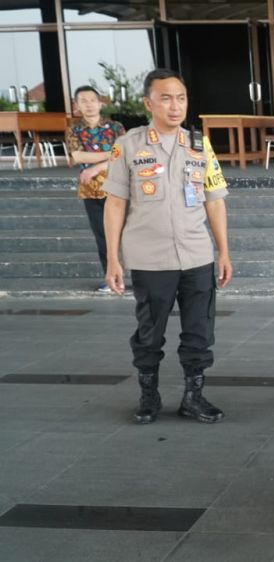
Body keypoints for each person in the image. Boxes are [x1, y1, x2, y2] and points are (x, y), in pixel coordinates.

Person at [103, 68, 232, 425]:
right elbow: (115, 204)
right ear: (149, 102)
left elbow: (215, 200)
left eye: (181, 98)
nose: (175, 106)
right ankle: (149, 396)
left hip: (196, 255)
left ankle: (194, 397)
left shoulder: (199, 144)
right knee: (149, 333)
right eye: (165, 98)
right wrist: (113, 259)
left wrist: (223, 251)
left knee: (199, 332)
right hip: (149, 258)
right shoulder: (127, 145)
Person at [64, 85, 127, 293]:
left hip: (118, 189)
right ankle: (112, 278)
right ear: (77, 105)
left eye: (92, 100)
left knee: (128, 234)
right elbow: (78, 157)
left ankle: (138, 276)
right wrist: (111, 155)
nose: (89, 105)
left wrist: (97, 167)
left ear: (100, 103)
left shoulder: (116, 127)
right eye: (83, 101)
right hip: (91, 190)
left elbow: (125, 153)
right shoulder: (74, 130)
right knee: (103, 237)